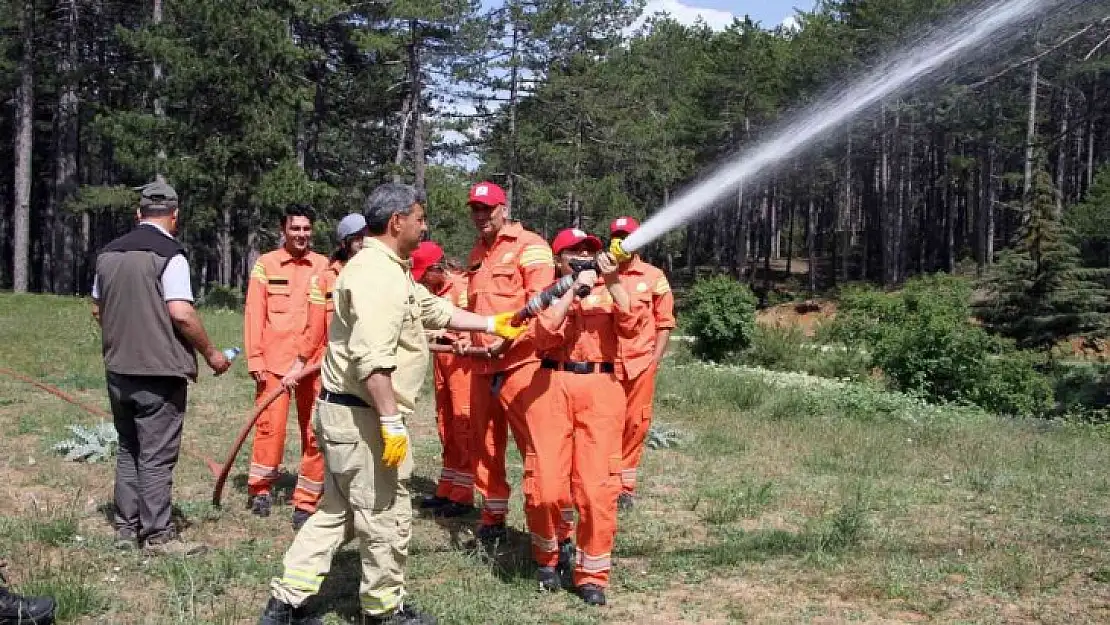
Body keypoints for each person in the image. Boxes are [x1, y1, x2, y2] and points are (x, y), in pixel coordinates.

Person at [257, 183, 527, 625]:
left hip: (349, 415)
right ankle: (383, 611)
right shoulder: (377, 276)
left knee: (335, 511)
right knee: (384, 515)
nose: (425, 225)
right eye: (420, 217)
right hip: (364, 417)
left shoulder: (387, 268)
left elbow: (431, 310)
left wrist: (492, 323)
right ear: (397, 221)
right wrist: (391, 423)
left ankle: (285, 601)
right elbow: (373, 361)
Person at [91, 178, 231, 556]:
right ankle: (158, 536)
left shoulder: (108, 254)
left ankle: (125, 529)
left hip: (118, 370)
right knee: (155, 455)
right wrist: (212, 354)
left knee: (128, 449)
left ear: (138, 215)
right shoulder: (171, 255)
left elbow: (97, 309)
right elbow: (182, 313)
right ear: (174, 216)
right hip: (159, 374)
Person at [526, 228, 648, 606]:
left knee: (597, 490)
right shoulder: (548, 293)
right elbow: (542, 336)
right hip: (550, 386)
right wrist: (570, 291)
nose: (581, 256)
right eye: (572, 252)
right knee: (546, 486)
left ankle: (591, 573)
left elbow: (634, 326)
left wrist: (610, 280)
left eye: (587, 251)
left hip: (601, 388)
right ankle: (549, 555)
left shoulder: (613, 289)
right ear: (558, 260)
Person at [462, 181, 556, 544]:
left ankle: (547, 528)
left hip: (521, 365)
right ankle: (492, 517)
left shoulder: (530, 247)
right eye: (476, 209)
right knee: (484, 445)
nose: (481, 215)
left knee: (534, 446)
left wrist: (505, 342)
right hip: (482, 367)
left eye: (488, 208)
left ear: (505, 208)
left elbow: (541, 303)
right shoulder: (477, 254)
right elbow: (476, 308)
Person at [244, 204, 330, 529]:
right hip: (275, 365)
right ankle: (261, 490)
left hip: (314, 365)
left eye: (307, 229)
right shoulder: (266, 265)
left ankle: (307, 498)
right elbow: (254, 312)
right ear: (284, 230)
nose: (302, 235)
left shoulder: (323, 266)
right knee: (270, 430)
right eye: (296, 229)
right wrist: (255, 358)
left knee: (315, 431)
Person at [609, 217, 676, 510]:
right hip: (606, 365)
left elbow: (665, 322)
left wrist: (655, 359)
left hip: (640, 365)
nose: (623, 240)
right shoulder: (602, 274)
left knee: (635, 424)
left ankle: (624, 487)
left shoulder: (654, 276)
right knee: (604, 425)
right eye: (618, 235)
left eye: (629, 235)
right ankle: (602, 481)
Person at [411, 241, 475, 517]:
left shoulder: (461, 288)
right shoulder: (434, 292)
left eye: (426, 274)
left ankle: (463, 495)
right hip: (443, 363)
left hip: (463, 365)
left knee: (462, 425)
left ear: (438, 268)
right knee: (445, 424)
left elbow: (474, 322)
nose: (423, 280)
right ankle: (447, 487)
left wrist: (462, 338)